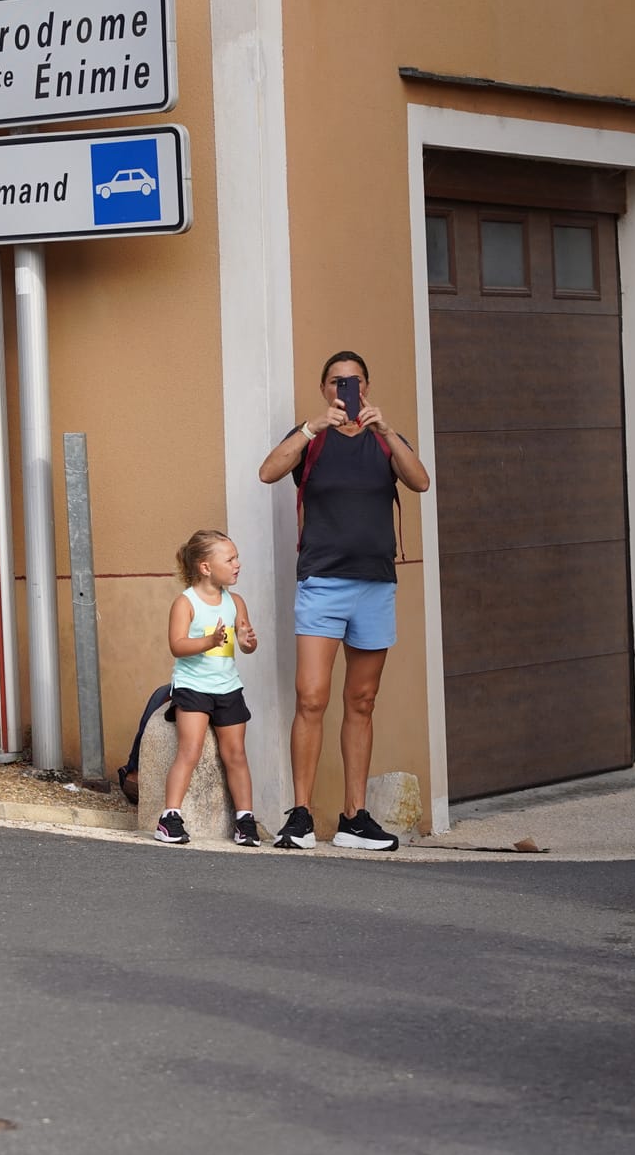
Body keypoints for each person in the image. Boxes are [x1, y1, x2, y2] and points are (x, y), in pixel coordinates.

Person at [257, 351, 430, 852]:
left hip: (375, 584)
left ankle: (354, 817)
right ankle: (301, 815)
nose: (345, 389)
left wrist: (388, 430)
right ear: (324, 388)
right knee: (311, 697)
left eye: (354, 382)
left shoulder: (384, 439)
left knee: (362, 701)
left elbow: (420, 481)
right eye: (336, 382)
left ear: (368, 386)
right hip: (323, 583)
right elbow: (268, 471)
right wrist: (312, 428)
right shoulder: (311, 438)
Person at [155, 530, 261, 846]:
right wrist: (210, 641)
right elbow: (177, 645)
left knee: (236, 753)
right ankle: (169, 817)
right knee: (190, 750)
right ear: (205, 567)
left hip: (227, 686)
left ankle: (245, 819)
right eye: (229, 559)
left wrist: (247, 642)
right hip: (193, 687)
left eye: (236, 557)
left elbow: (244, 644)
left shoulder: (235, 602)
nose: (237, 564)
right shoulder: (186, 603)